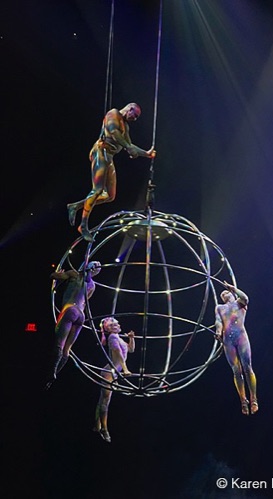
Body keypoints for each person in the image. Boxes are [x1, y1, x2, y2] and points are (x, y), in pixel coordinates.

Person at [67, 103, 157, 242]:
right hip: (101, 152)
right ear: (130, 109)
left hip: (109, 157)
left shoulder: (125, 126)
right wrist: (128, 147)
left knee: (110, 195)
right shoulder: (113, 114)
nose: (135, 119)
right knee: (97, 190)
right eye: (135, 115)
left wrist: (146, 154)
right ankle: (83, 225)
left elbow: (130, 145)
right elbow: (114, 133)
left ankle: (75, 206)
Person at [45, 261, 102, 390]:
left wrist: (58, 274)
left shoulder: (74, 274)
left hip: (70, 309)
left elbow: (53, 276)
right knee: (67, 349)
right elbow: (85, 302)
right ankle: (55, 375)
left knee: (59, 343)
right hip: (81, 316)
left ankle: (52, 371)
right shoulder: (92, 285)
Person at [215, 281, 258, 416]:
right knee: (236, 370)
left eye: (227, 292)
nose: (224, 294)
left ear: (233, 294)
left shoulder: (240, 303)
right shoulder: (219, 308)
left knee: (247, 367)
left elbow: (246, 298)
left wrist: (232, 288)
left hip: (241, 337)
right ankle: (243, 401)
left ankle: (254, 399)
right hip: (228, 340)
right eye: (223, 294)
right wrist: (218, 332)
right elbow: (218, 322)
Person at [93, 317, 135, 443]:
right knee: (105, 401)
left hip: (113, 372)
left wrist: (131, 338)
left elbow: (130, 350)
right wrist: (125, 369)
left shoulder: (118, 338)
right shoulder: (112, 338)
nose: (117, 324)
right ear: (108, 329)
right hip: (109, 373)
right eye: (112, 324)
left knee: (102, 400)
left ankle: (97, 425)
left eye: (116, 323)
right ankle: (104, 429)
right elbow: (117, 353)